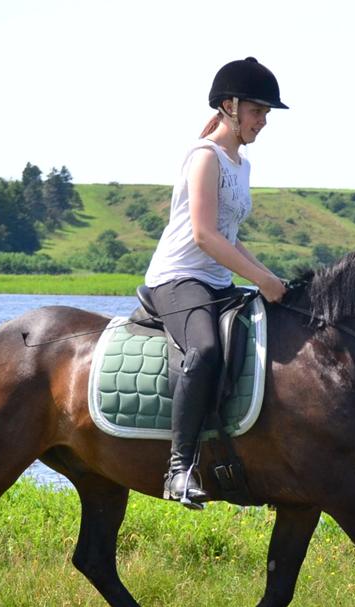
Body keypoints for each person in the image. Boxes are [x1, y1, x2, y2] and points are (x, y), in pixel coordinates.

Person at [144, 57, 289, 509]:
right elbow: (204, 236)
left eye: (266, 114)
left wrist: (271, 277)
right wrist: (260, 278)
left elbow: (230, 238)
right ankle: (178, 470)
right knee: (205, 350)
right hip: (178, 277)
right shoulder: (203, 157)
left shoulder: (241, 165)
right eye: (257, 111)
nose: (263, 122)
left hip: (216, 280)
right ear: (229, 106)